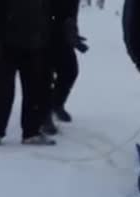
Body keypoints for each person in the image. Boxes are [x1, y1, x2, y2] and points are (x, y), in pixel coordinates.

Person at [0, 0, 56, 147]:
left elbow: (45, 8)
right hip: (4, 44)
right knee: (2, 90)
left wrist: (45, 36)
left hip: (34, 43)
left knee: (34, 90)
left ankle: (31, 132)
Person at [42, 0, 89, 135]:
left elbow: (70, 14)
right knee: (45, 76)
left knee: (70, 71)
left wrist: (73, 35)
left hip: (62, 35)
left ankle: (56, 103)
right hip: (41, 34)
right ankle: (44, 115)